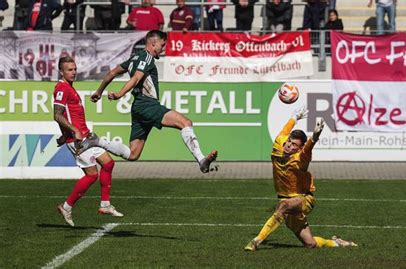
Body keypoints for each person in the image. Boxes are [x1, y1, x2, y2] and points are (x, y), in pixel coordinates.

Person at [78, 30, 218, 173]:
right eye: (162, 45)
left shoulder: (134, 58)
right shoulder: (147, 58)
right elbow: (137, 78)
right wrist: (120, 94)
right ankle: (201, 159)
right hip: (147, 104)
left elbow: (112, 73)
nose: (163, 49)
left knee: (133, 154)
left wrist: (99, 91)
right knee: (186, 123)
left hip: (138, 107)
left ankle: (98, 141)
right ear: (153, 44)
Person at [244, 107, 357, 251]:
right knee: (310, 244)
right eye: (289, 142)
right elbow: (285, 130)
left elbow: (308, 148)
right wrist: (294, 117)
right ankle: (336, 242)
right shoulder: (280, 142)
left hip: (304, 199)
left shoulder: (301, 158)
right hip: (285, 200)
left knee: (284, 206)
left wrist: (314, 137)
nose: (289, 146)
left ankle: (255, 242)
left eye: (294, 145)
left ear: (299, 148)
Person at [53, 56, 124, 227]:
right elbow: (57, 115)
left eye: (75, 69)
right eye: (69, 70)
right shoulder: (61, 88)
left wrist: (66, 134)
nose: (73, 72)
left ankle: (105, 205)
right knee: (92, 175)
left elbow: (68, 115)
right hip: (78, 140)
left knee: (108, 164)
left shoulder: (70, 88)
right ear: (61, 72)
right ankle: (66, 206)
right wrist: (73, 132)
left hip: (86, 136)